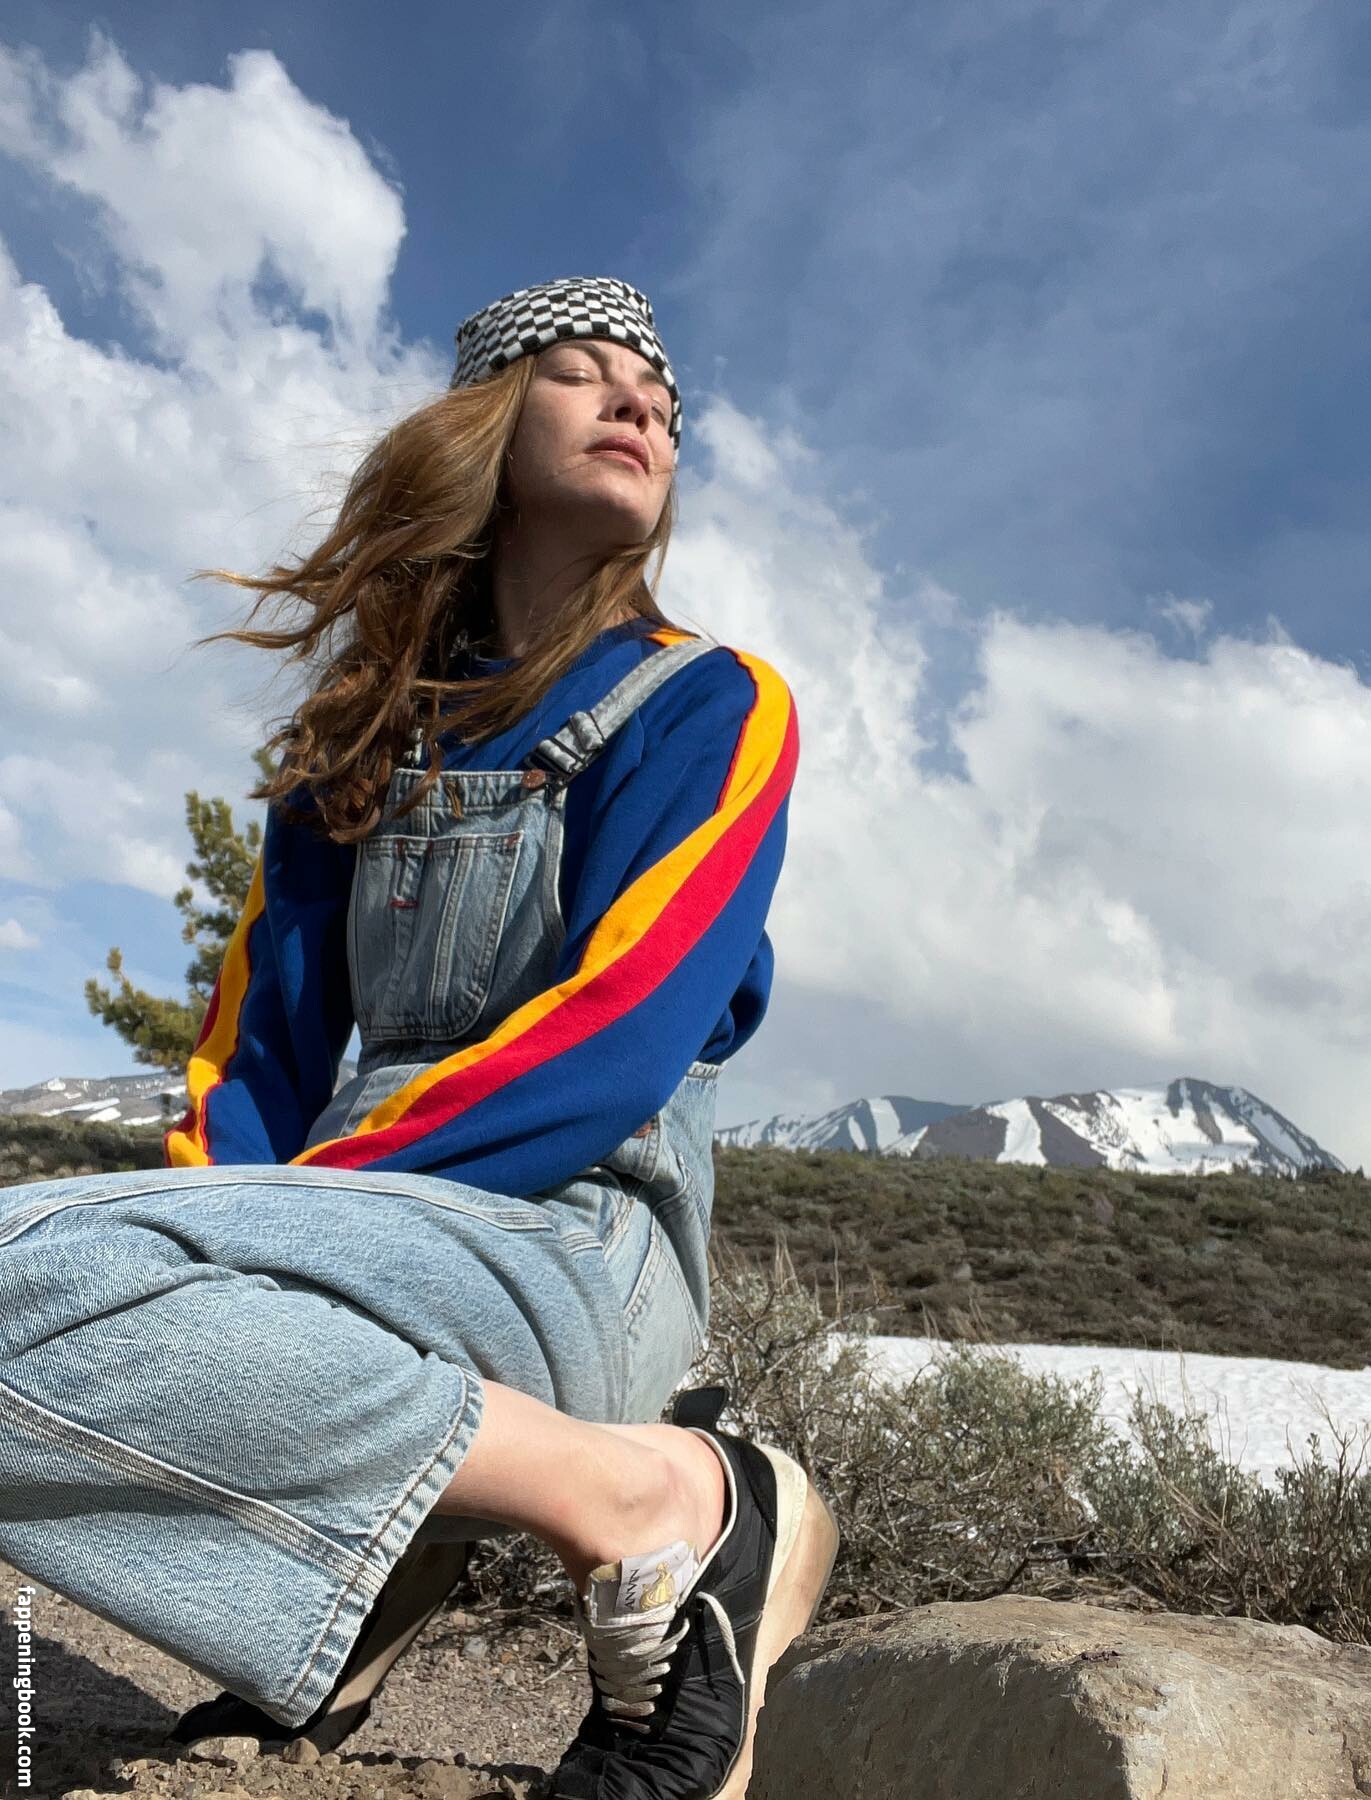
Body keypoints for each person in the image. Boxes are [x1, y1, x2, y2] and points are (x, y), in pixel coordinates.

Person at [0, 276, 838, 1800]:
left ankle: (663, 1500)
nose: (642, 403)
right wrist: (225, 1215)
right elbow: (257, 1058)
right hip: (358, 1229)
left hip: (577, 1239)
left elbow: (614, 1040)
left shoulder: (710, 707)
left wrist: (273, 1222)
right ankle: (376, 1560)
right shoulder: (358, 742)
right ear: (484, 423)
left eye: (661, 395)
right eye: (584, 372)